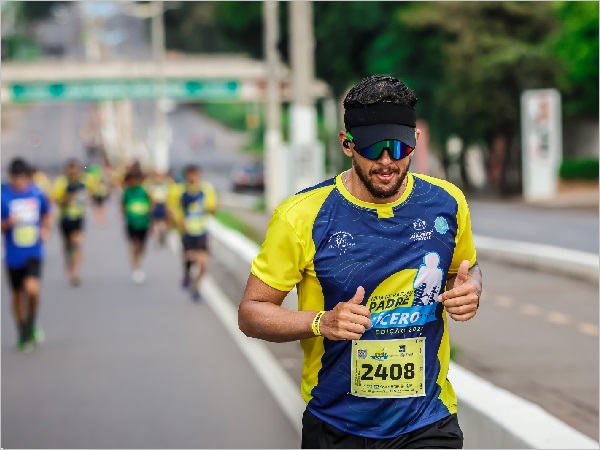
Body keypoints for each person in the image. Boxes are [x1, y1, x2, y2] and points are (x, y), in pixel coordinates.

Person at [238, 75, 483, 449]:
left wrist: (471, 288)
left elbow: (463, 271)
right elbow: (251, 312)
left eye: (399, 147)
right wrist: (322, 322)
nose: (387, 162)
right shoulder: (302, 216)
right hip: (337, 424)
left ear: (415, 140)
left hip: (428, 420)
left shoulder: (447, 203)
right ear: (347, 144)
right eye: (373, 147)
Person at [2, 158, 52, 353]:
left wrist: (46, 229)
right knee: (16, 295)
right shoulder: (3, 196)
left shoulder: (36, 192)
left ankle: (31, 322)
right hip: (13, 254)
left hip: (34, 251)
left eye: (22, 177)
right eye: (15, 178)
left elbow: (48, 213)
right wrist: (7, 223)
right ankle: (22, 331)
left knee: (32, 289)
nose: (19, 181)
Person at [167, 164, 217, 302]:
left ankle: (196, 287)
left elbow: (212, 207)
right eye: (191, 174)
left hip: (201, 230)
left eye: (196, 174)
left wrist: (212, 208)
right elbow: (172, 207)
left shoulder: (206, 189)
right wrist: (178, 221)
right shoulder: (178, 190)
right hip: (186, 231)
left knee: (203, 263)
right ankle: (187, 275)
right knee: (188, 258)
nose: (193, 177)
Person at [52, 159, 90, 286]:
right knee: (68, 245)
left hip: (78, 217)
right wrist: (67, 198)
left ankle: (75, 272)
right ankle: (69, 263)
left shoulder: (83, 182)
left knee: (77, 243)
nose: (73, 173)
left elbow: (88, 194)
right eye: (71, 170)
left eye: (75, 170)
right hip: (65, 217)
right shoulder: (61, 182)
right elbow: (56, 199)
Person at [121, 166, 152, 284]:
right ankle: (136, 268)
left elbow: (150, 203)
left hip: (144, 222)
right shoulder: (126, 192)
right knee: (134, 245)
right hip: (131, 223)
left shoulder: (144, 191)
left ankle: (138, 260)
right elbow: (123, 206)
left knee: (142, 247)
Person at [145, 170, 174, 247]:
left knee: (161, 222)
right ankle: (158, 237)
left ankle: (161, 235)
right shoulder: (152, 186)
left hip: (162, 205)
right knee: (157, 222)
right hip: (156, 205)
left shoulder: (164, 185)